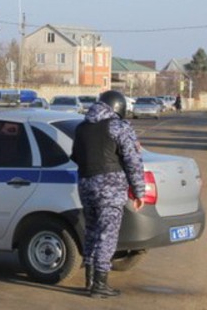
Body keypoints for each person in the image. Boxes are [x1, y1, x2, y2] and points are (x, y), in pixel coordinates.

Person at [71, 90, 146, 298]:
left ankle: (90, 279)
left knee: (92, 233)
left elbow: (75, 156)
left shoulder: (81, 127)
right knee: (107, 236)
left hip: (86, 186)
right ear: (118, 108)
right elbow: (133, 162)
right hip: (110, 189)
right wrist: (139, 191)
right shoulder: (118, 126)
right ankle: (100, 285)